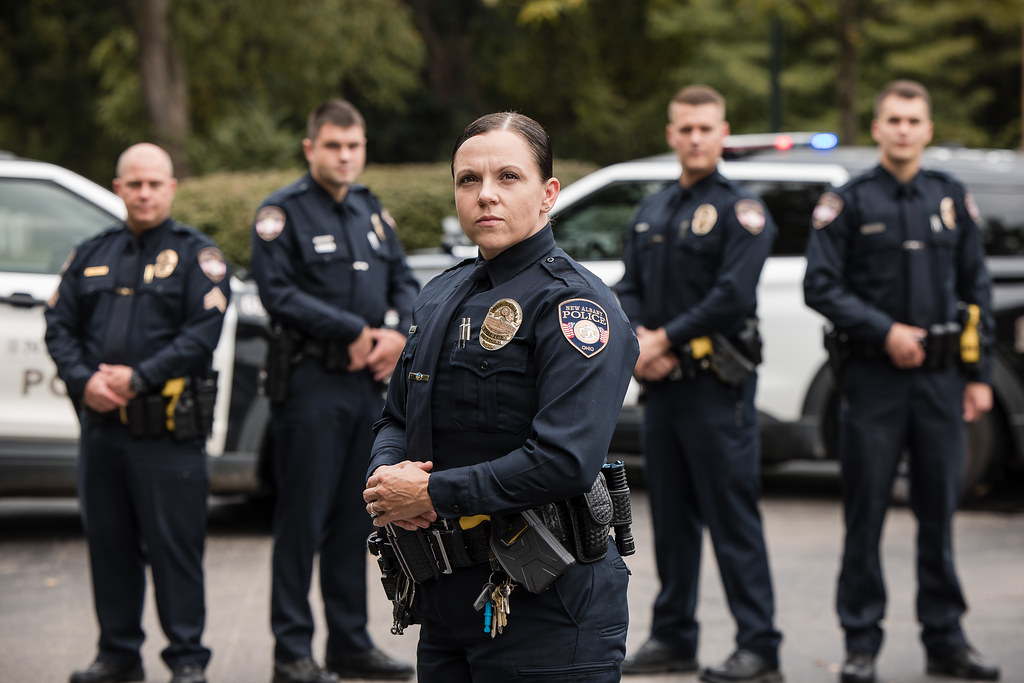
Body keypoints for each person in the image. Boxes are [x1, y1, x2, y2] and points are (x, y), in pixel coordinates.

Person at [362, 111, 639, 682]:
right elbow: (395, 416)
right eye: (469, 180)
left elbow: (563, 461)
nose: (486, 195)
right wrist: (388, 481)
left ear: (548, 194)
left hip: (547, 604)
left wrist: (431, 493)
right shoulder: (440, 296)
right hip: (444, 598)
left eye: (508, 177)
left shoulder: (575, 308)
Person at [803, 80, 1000, 683]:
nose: (904, 129)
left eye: (914, 119)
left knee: (939, 516)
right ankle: (860, 644)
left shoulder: (950, 197)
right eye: (893, 119)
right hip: (872, 382)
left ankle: (946, 640)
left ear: (928, 128)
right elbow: (821, 285)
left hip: (941, 385)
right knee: (864, 517)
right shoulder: (849, 201)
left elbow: (976, 289)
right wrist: (885, 330)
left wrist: (979, 375)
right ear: (878, 127)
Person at [616, 85, 784, 683]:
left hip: (718, 390)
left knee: (732, 520)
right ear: (671, 134)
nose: (694, 138)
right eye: (684, 128)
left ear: (723, 133)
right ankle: (674, 638)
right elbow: (628, 287)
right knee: (672, 520)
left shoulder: (743, 210)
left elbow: (732, 296)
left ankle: (760, 647)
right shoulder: (653, 210)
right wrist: (639, 341)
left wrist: (664, 339)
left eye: (705, 129)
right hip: (663, 391)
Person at [250, 99, 419, 683]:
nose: (345, 156)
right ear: (310, 149)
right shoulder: (282, 214)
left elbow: (403, 279)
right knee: (303, 520)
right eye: (333, 146)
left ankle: (350, 643)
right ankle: (292, 652)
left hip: (367, 389)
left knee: (359, 518)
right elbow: (279, 295)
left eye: (354, 146)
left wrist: (394, 333)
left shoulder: (372, 212)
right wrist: (352, 330)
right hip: (311, 387)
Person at [45, 143, 227, 683]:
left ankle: (187, 661)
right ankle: (118, 656)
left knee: (176, 554)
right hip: (102, 433)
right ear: (118, 187)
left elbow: (203, 333)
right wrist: (84, 381)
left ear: (170, 188)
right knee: (110, 548)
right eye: (133, 183)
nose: (143, 192)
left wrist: (138, 377)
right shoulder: (90, 253)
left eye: (154, 183)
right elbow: (59, 326)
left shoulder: (198, 256)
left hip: (167, 436)